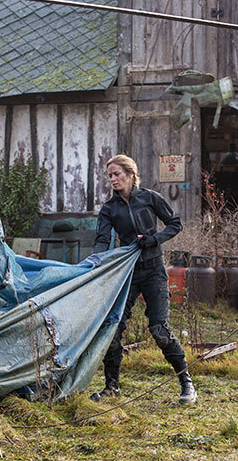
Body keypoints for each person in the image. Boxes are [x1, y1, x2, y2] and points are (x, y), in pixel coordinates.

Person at [90, 154, 196, 404]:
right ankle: (111, 388)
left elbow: (175, 223)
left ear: (130, 174)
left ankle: (186, 384)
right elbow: (102, 241)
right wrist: (94, 262)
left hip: (154, 271)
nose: (113, 179)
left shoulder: (150, 198)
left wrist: (154, 239)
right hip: (127, 274)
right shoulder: (109, 209)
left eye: (116, 174)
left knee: (159, 329)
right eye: (110, 176)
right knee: (113, 329)